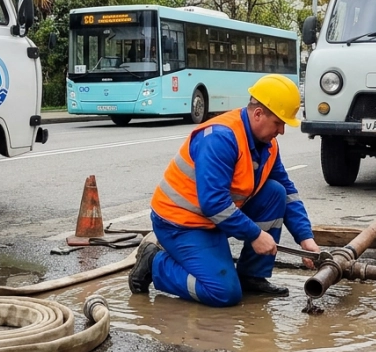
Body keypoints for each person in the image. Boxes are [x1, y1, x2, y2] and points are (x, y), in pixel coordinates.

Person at [129, 74, 319, 306]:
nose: (281, 131)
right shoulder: (220, 138)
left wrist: (305, 238)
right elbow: (214, 203)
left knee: (275, 193)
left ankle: (252, 276)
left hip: (213, 220)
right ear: (258, 114)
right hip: (181, 223)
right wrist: (255, 235)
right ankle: (155, 264)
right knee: (223, 293)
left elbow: (288, 191)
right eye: (278, 123)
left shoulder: (267, 144)